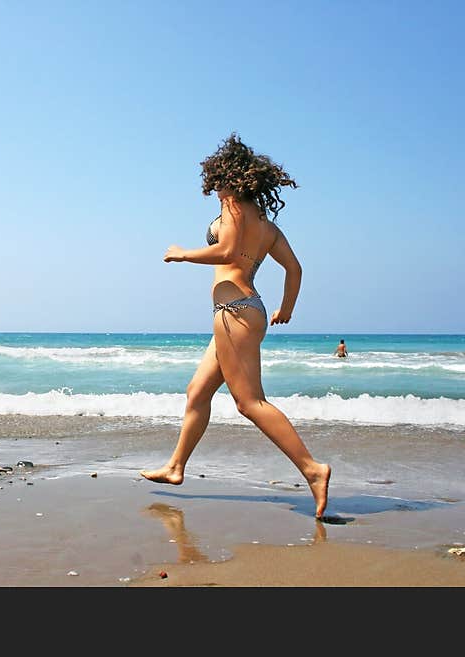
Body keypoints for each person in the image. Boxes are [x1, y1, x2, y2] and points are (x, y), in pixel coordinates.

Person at [140, 134, 331, 519]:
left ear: (226, 176)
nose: (214, 189)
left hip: (234, 311)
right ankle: (176, 466)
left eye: (216, 180)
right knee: (197, 392)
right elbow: (294, 268)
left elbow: (226, 251)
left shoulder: (232, 207)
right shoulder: (265, 223)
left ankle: (313, 469)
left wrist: (183, 254)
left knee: (250, 402)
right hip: (248, 310)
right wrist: (285, 309)